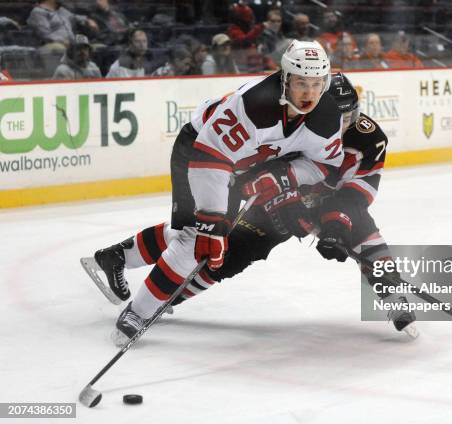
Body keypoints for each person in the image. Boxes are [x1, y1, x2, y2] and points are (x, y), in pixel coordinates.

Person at [86, 72, 417, 343]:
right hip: (278, 200)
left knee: (363, 229)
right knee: (223, 249)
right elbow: (263, 172)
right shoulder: (301, 123)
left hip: (327, 201)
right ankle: (157, 286)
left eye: (350, 118)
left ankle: (394, 297)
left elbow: (359, 192)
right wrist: (286, 203)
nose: (342, 127)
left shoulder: (369, 138)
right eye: (339, 117)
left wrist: (334, 224)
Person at [27, 0, 99, 52]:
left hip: (71, 44)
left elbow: (74, 17)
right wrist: (62, 42)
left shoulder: (61, 10)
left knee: (98, 48)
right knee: (60, 48)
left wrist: (87, 20)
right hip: (50, 47)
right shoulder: (38, 12)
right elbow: (45, 35)